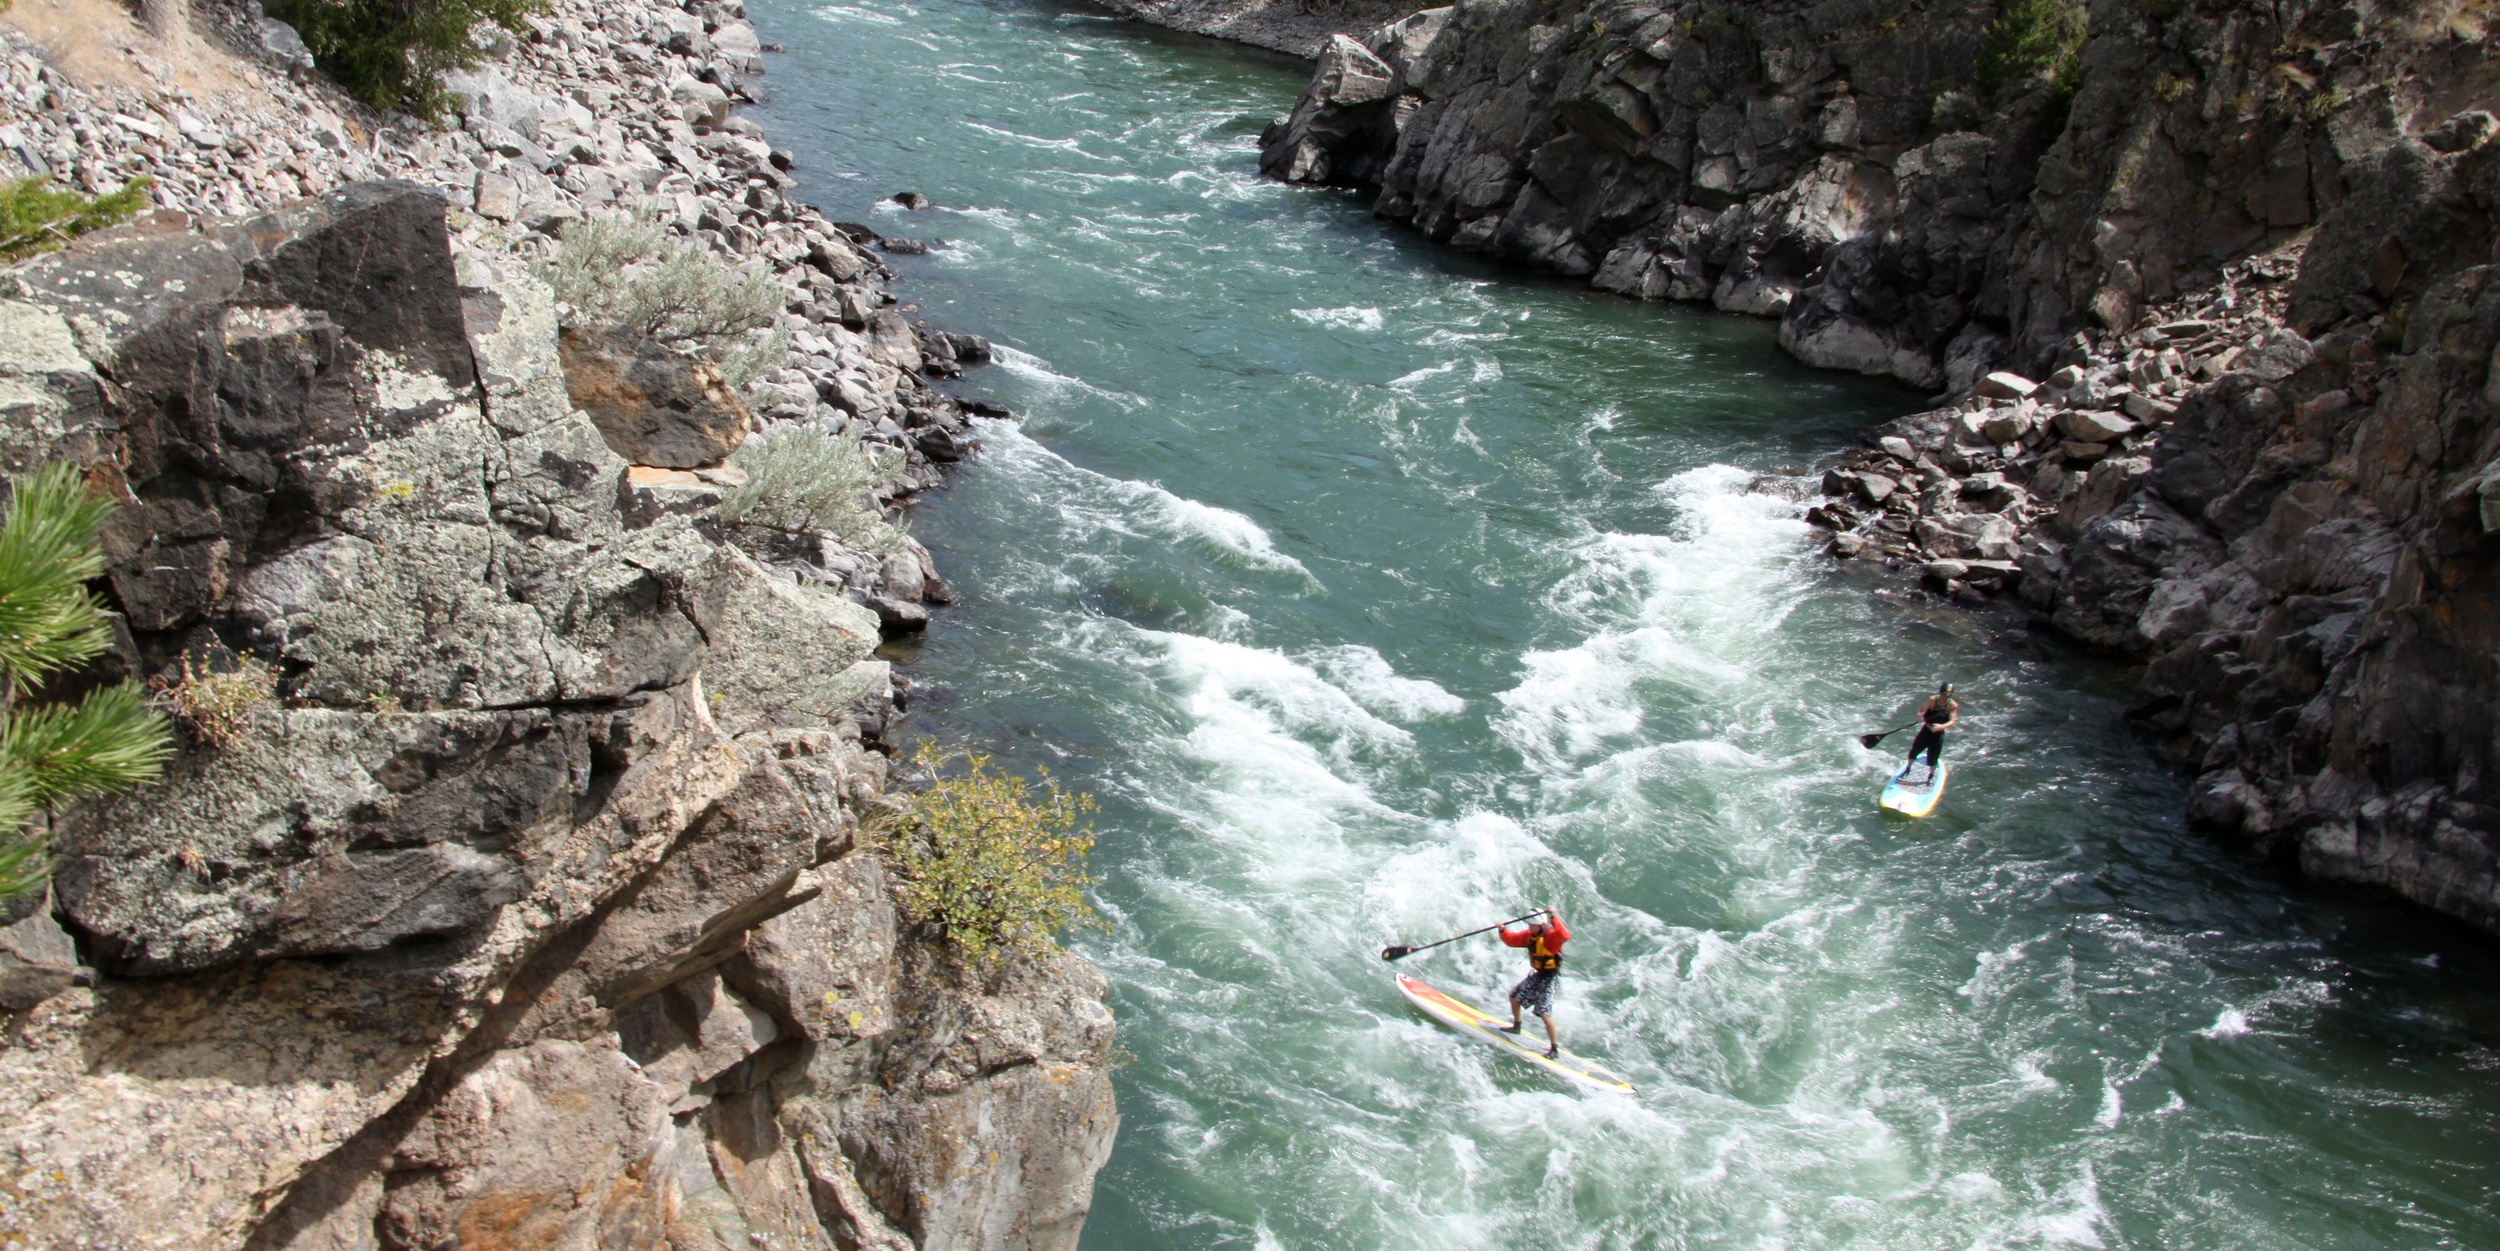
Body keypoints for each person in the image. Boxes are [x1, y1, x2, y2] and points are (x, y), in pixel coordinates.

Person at [1496, 907, 1569, 1058]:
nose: (1529, 927)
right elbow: (1511, 940)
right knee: (1514, 996)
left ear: (1540, 924)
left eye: (1531, 925)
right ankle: (1517, 1026)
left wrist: (1553, 916)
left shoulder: (1550, 937)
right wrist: (1502, 930)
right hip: (1539, 975)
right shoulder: (1530, 935)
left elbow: (1564, 935)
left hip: (1550, 979)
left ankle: (1554, 1049)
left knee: (1543, 1012)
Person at [1905, 682, 1958, 782]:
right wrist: (1920, 716)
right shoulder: (1932, 700)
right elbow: (1921, 710)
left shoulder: (1952, 705)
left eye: (1949, 695)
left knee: (1933, 757)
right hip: (1927, 730)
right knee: (1914, 750)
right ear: (1940, 692)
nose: (1946, 697)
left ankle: (1931, 775)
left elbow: (1952, 721)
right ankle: (1908, 768)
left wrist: (1941, 726)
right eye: (1944, 694)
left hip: (1938, 734)